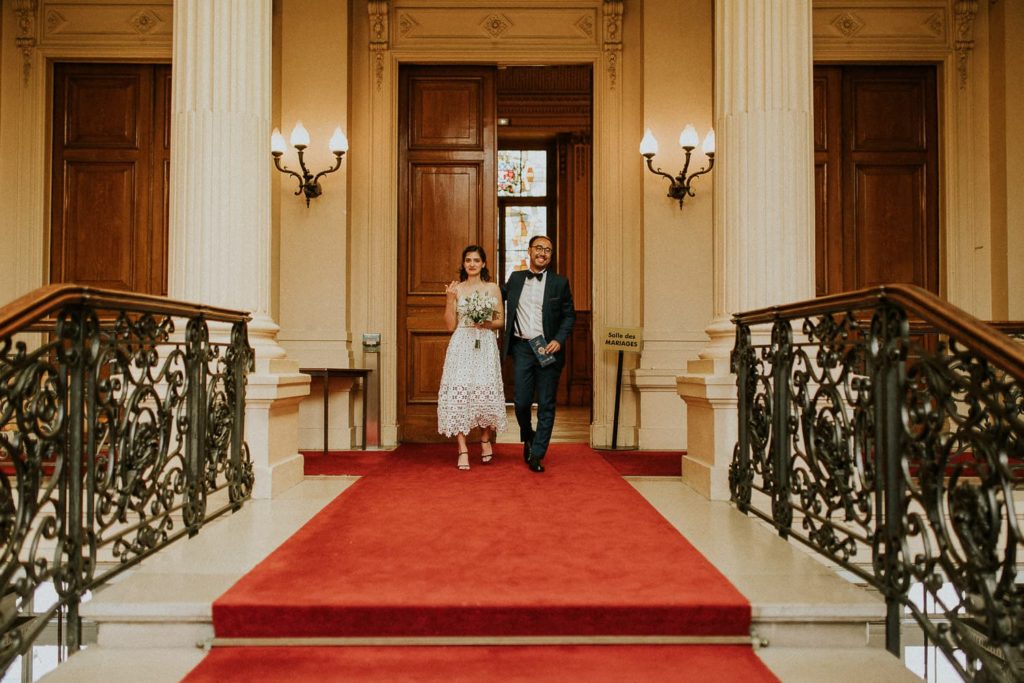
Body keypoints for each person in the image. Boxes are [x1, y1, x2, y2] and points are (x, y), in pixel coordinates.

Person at [502, 235, 576, 473]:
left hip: (546, 347)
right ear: (529, 251)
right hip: (523, 347)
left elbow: (569, 315)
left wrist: (558, 339)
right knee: (521, 402)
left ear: (551, 256)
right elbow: (493, 297)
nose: (543, 253)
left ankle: (537, 454)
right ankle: (529, 435)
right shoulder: (515, 278)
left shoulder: (559, 283)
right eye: (539, 248)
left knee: (546, 403)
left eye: (548, 250)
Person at [437, 245, 508, 470]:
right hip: (462, 344)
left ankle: (485, 439)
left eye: (476, 260)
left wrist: (485, 323)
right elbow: (450, 326)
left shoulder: (492, 288)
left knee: (484, 391)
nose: (472, 264)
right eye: (468, 260)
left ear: (483, 264)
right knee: (460, 394)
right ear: (464, 264)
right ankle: (463, 448)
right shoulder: (457, 289)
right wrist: (450, 299)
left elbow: (500, 321)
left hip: (484, 343)